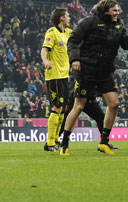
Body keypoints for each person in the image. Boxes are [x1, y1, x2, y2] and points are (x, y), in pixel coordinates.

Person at [60, 0, 128, 156]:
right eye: (114, 10)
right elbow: (73, 40)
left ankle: (104, 142)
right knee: (78, 107)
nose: (117, 13)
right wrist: (75, 59)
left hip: (105, 72)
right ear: (106, 11)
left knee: (114, 103)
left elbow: (126, 45)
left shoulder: (119, 25)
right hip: (87, 71)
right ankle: (64, 144)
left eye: (118, 10)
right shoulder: (89, 22)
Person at [41, 8, 71, 152]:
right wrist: (45, 61)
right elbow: (44, 49)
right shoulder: (51, 33)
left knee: (64, 108)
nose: (69, 18)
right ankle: (50, 142)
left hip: (65, 75)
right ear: (61, 18)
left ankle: (57, 139)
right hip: (54, 75)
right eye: (67, 16)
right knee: (57, 107)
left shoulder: (68, 33)